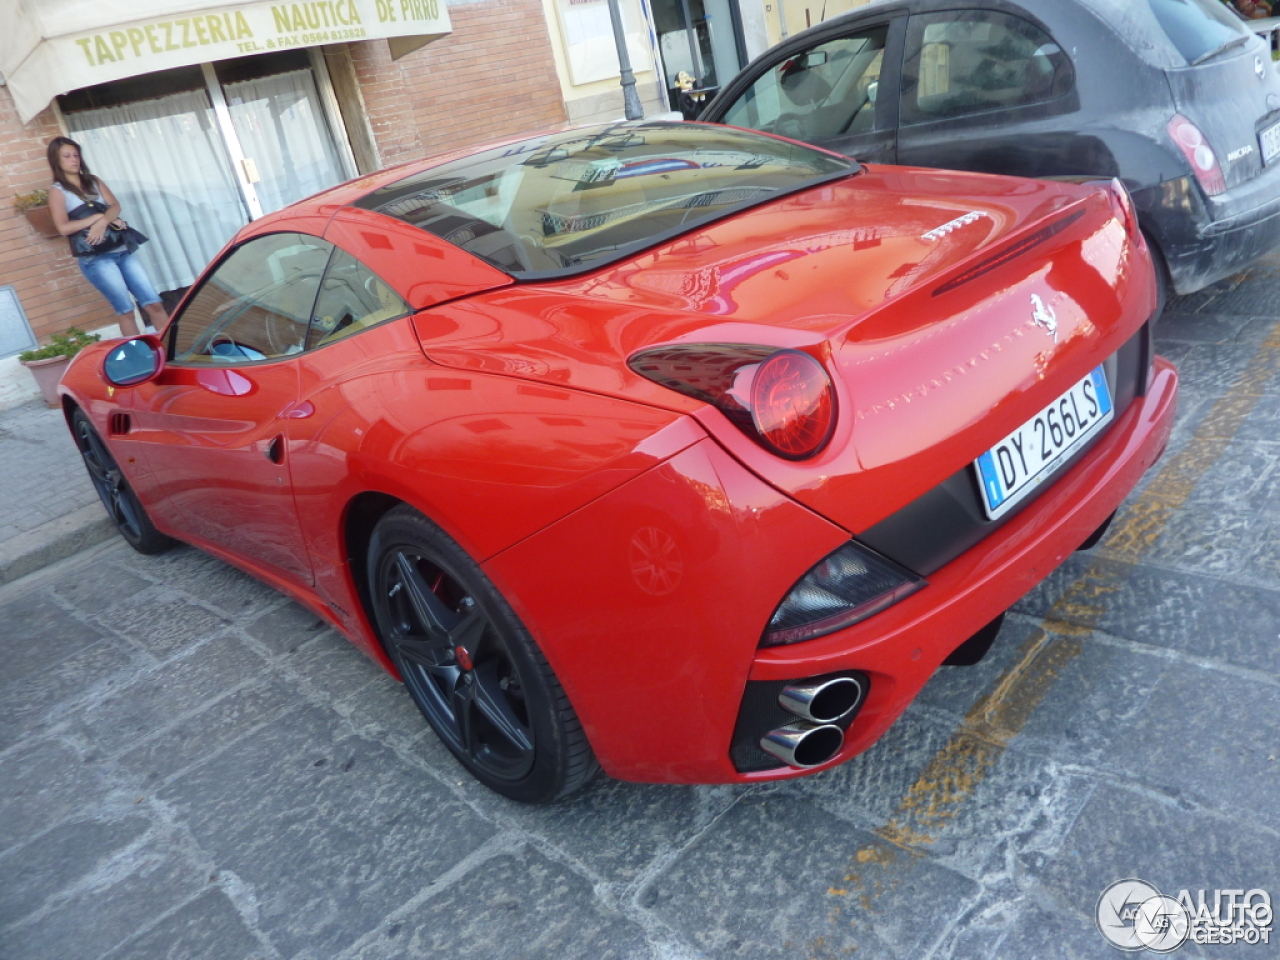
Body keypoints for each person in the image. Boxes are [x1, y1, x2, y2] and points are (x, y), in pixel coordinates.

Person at [46, 136, 167, 337]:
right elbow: (63, 228)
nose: (73, 160)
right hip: (96, 259)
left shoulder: (93, 181)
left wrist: (103, 221)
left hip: (122, 252)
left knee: (153, 303)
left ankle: (172, 352)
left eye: (76, 155)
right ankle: (142, 358)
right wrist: (96, 218)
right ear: (56, 161)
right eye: (66, 156)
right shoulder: (58, 191)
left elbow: (115, 206)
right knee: (126, 311)